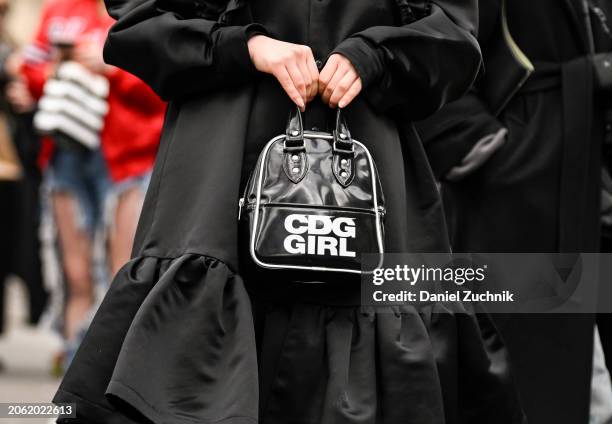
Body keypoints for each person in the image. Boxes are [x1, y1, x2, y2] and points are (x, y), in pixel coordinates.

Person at [53, 1, 525, 423]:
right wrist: (246, 46)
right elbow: (140, 22)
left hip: (363, 167)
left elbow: (456, 37)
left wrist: (374, 55)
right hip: (219, 173)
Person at [417, 0, 612, 423]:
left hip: (589, 176)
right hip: (519, 189)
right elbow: (428, 42)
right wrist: (477, 143)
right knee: (525, 376)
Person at [21, 0, 165, 367]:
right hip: (66, 154)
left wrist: (114, 68)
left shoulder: (148, 11)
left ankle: (112, 373)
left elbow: (164, 88)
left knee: (124, 272)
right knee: (76, 274)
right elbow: (29, 71)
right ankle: (74, 368)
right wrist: (57, 70)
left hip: (129, 157)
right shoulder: (61, 10)